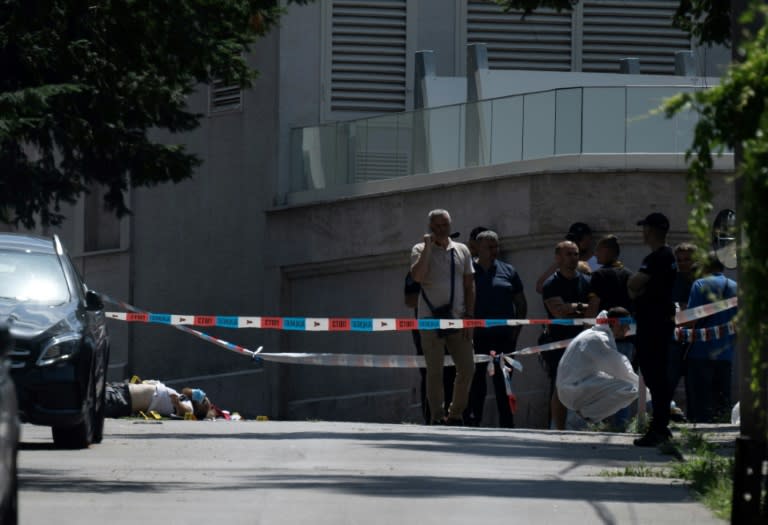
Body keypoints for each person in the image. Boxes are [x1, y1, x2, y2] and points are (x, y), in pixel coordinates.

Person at [410, 209, 476, 425]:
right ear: (429, 228)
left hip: (458, 317)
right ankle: (437, 417)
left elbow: (469, 284)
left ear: (450, 224)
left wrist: (470, 316)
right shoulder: (419, 249)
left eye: (444, 225)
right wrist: (429, 247)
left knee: (467, 367)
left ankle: (455, 414)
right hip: (430, 319)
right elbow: (418, 277)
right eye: (436, 226)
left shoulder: (462, 250)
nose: (441, 229)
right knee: (435, 371)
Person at [464, 230, 527, 427]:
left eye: (496, 246)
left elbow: (521, 303)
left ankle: (507, 427)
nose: (494, 251)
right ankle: (473, 425)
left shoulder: (508, 271)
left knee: (504, 384)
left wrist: (515, 332)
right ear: (477, 249)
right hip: (476, 338)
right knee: (476, 384)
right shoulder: (467, 272)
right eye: (489, 247)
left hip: (504, 338)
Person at [628, 212, 677, 446]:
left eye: (644, 228)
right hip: (659, 322)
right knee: (657, 376)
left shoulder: (658, 257)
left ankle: (658, 428)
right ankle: (660, 425)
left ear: (649, 231)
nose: (642, 233)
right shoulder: (668, 256)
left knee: (655, 376)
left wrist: (635, 290)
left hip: (653, 324)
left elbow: (634, 283)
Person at [541, 240, 599, 430]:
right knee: (560, 386)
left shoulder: (588, 282)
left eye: (575, 254)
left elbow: (594, 309)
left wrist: (572, 307)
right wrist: (581, 307)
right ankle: (557, 428)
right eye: (569, 254)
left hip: (584, 340)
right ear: (558, 257)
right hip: (559, 343)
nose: (574, 258)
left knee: (585, 383)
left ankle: (582, 426)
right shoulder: (551, 284)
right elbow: (558, 311)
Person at [556, 307, 639, 423]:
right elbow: (622, 370)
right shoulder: (600, 339)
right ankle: (586, 415)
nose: (629, 328)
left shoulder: (593, 334)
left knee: (620, 383)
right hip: (574, 391)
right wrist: (648, 395)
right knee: (631, 389)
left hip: (572, 387)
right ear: (616, 325)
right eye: (626, 324)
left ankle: (588, 416)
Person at [684, 253, 737, 422]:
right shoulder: (736, 286)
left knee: (700, 406)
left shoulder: (700, 284)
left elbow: (691, 318)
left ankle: (698, 439)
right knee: (721, 405)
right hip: (726, 353)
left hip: (700, 353)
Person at [404, 271, 454, 424]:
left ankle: (450, 416)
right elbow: (410, 300)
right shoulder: (418, 270)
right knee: (430, 373)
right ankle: (431, 418)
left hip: (450, 325)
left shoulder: (451, 267)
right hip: (426, 328)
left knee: (451, 373)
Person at [536, 222, 598, 293]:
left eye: (579, 239)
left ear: (589, 238)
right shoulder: (562, 263)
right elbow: (540, 286)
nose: (575, 243)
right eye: (572, 240)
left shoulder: (599, 262)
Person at [105, 380, 213, 420]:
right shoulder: (179, 395)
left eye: (203, 399)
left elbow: (186, 411)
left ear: (199, 409)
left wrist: (178, 404)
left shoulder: (187, 403)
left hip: (122, 399)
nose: (201, 393)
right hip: (122, 390)